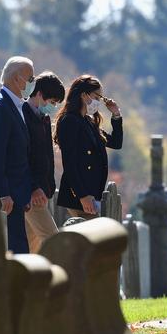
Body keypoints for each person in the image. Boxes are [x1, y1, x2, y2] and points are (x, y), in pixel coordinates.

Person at [0, 56, 35, 253]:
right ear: (17, 78)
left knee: (18, 252)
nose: (32, 83)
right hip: (4, 197)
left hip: (16, 194)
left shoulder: (13, 105)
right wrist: (3, 193)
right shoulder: (0, 107)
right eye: (30, 78)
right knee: (10, 254)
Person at [54, 75, 122, 219]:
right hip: (79, 196)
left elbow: (116, 143)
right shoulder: (70, 121)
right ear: (83, 95)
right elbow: (69, 162)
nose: (98, 102)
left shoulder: (89, 122)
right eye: (97, 97)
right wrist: (82, 195)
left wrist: (116, 115)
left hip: (92, 194)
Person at [22, 71, 65, 252]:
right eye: (52, 102)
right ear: (39, 94)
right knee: (54, 242)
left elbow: (47, 155)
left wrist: (48, 187)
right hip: (31, 193)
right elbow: (21, 157)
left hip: (43, 193)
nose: (53, 107)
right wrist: (33, 187)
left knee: (32, 249)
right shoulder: (22, 115)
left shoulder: (44, 119)